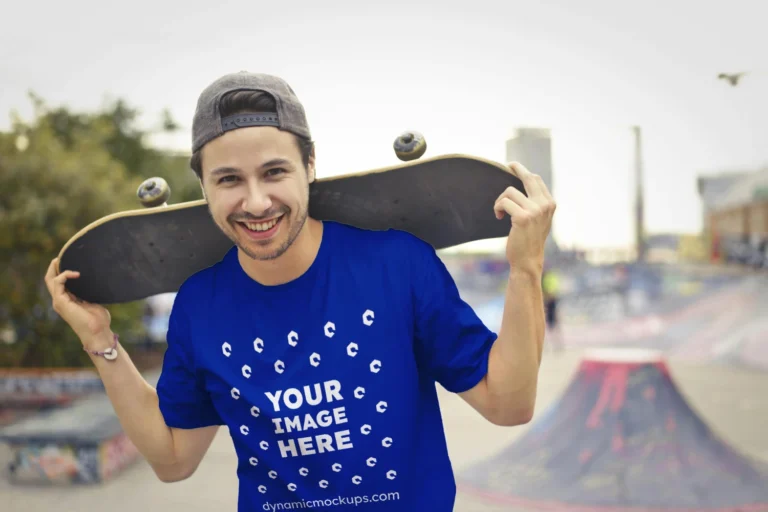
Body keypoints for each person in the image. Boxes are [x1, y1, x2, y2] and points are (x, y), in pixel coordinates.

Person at [45, 71, 556, 511]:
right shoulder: (200, 306)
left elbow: (508, 405)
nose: (256, 201)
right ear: (203, 187)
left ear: (310, 165)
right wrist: (101, 342)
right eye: (228, 180)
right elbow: (173, 459)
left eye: (274, 172)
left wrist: (525, 269)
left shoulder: (397, 266)